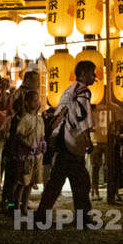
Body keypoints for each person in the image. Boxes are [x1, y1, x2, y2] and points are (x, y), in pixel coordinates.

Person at [36, 60, 96, 221]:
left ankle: (42, 215)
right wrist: (88, 140)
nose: (94, 77)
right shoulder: (82, 92)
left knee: (57, 182)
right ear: (83, 73)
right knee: (80, 182)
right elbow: (81, 118)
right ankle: (83, 217)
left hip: (60, 139)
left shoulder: (69, 90)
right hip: (72, 140)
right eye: (92, 73)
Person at [12, 90, 46, 211]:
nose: (37, 103)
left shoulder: (40, 120)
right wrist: (29, 146)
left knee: (31, 183)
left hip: (36, 156)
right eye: (34, 100)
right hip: (26, 156)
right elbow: (19, 135)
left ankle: (24, 207)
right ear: (27, 102)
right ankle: (16, 207)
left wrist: (43, 145)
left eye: (38, 100)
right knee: (23, 182)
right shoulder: (25, 119)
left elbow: (42, 137)